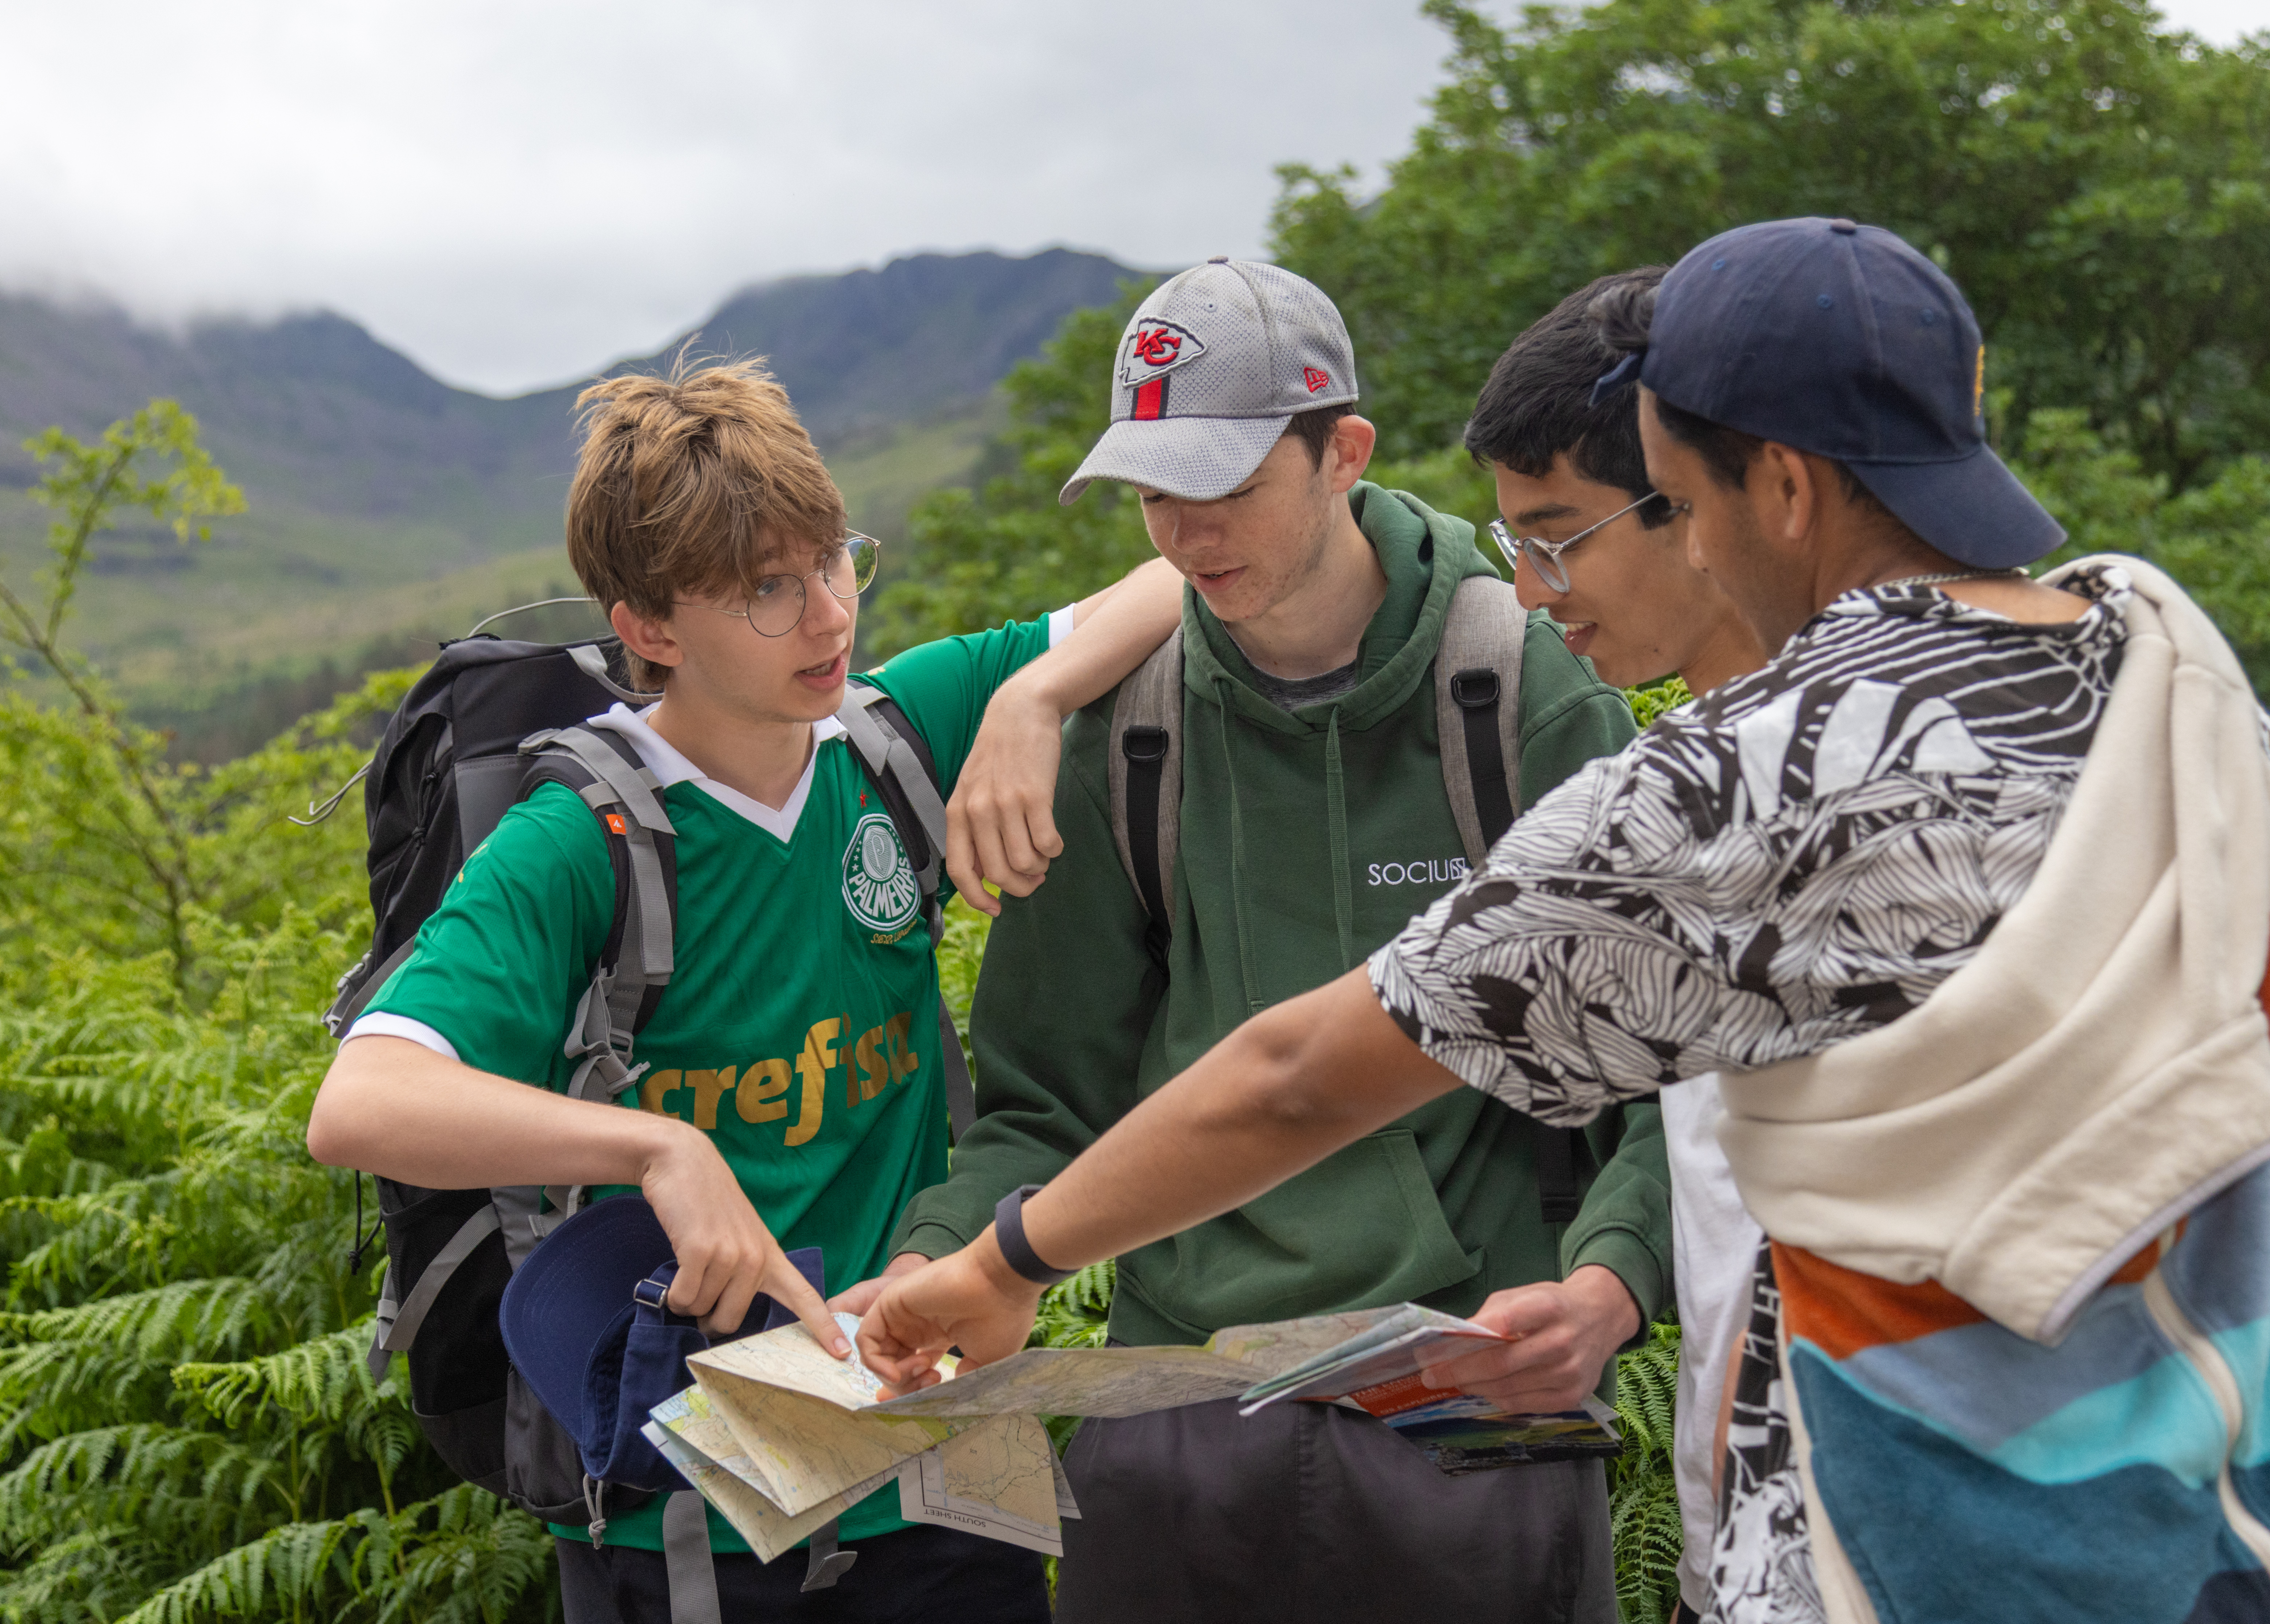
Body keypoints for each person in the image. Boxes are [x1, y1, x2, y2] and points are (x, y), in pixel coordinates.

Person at [860, 219, 2270, 1624]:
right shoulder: (2166, 670)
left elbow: (1304, 1078)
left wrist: (1004, 1261)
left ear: (1778, 486)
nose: (1584, 574)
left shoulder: (1751, 783)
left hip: (1907, 1543)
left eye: (1667, 500)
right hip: (2201, 1512)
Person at [841, 257, 1664, 1624]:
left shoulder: (1523, 690)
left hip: (1465, 1390)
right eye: (1154, 492)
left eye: (1222, 487)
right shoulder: (1127, 729)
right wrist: (943, 1260)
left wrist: (1609, 1285)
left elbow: (1658, 1063)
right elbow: (1048, 1093)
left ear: (1343, 451)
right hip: (1175, 1403)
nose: (1181, 532)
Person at [305, 355, 1187, 1624]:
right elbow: (362, 1101)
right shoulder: (583, 841)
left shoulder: (890, 740)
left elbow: (1176, 576)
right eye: (766, 592)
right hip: (704, 1499)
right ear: (651, 628)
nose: (829, 618)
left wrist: (1037, 693)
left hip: (943, 1435)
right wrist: (660, 1148)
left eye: (835, 561)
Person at [1465, 263, 1767, 1623]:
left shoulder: (1787, 785)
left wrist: (1012, 1258)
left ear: (1691, 496)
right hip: (1750, 1556)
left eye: (1559, 537)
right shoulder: (1676, 781)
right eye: (1505, 545)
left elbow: (1314, 1071)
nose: (1531, 593)